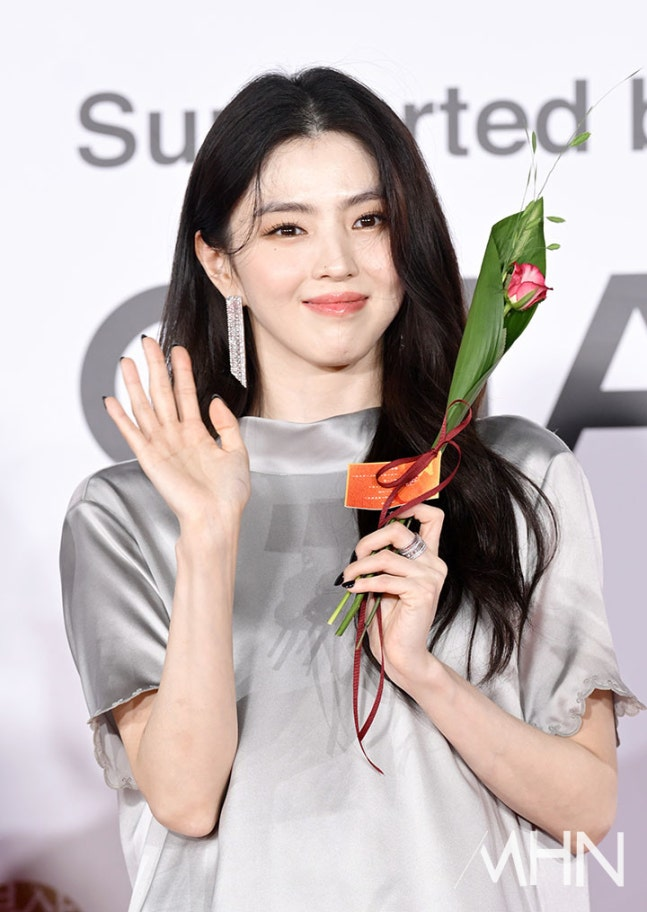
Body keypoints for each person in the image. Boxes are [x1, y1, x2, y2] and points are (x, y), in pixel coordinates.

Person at [60, 67, 643, 912]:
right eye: (286, 229)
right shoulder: (131, 510)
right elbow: (185, 801)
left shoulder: (516, 476)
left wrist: (421, 671)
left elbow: (586, 813)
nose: (336, 262)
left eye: (369, 220)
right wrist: (211, 535)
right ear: (220, 263)